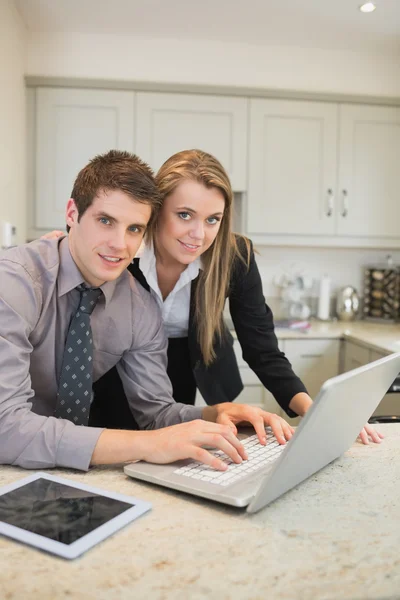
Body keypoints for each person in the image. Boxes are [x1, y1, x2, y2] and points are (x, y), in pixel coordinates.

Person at [0, 149, 295, 474]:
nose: (119, 244)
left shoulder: (139, 307)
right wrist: (148, 445)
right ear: (72, 213)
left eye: (134, 229)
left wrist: (215, 414)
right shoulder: (15, 283)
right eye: (105, 221)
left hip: (69, 473)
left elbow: (156, 413)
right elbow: (6, 427)